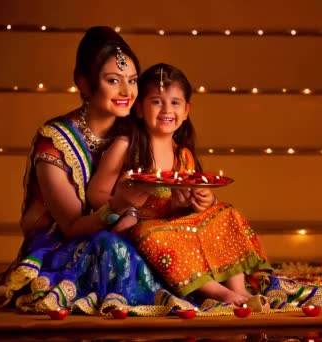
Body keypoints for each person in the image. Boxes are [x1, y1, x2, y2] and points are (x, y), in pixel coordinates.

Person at [0, 26, 171, 315]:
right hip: (61, 245)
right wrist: (119, 205)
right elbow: (72, 227)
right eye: (114, 81)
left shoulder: (133, 130)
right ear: (85, 84)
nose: (127, 92)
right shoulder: (54, 143)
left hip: (123, 229)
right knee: (111, 245)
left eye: (132, 80)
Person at [87, 63, 271, 306]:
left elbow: (187, 201)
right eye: (156, 101)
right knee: (152, 235)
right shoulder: (126, 146)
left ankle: (239, 289)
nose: (166, 109)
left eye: (175, 103)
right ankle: (220, 295)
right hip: (142, 227)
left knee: (226, 213)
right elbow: (95, 194)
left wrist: (203, 201)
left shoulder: (183, 155)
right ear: (139, 108)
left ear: (186, 111)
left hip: (177, 224)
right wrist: (124, 205)